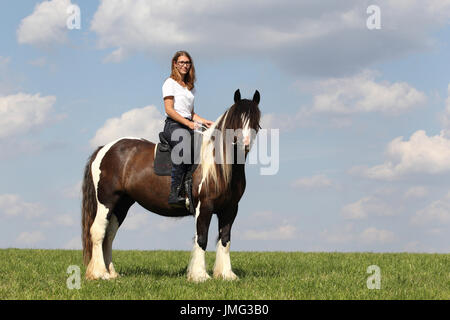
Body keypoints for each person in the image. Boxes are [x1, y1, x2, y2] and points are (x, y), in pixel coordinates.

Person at [162, 51, 214, 207]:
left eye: (187, 63)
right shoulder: (169, 83)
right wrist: (188, 123)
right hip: (173, 124)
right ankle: (174, 192)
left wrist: (206, 122)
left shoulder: (189, 87)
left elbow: (191, 113)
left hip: (187, 123)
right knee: (183, 148)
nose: (185, 65)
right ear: (175, 64)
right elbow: (170, 110)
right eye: (182, 62)